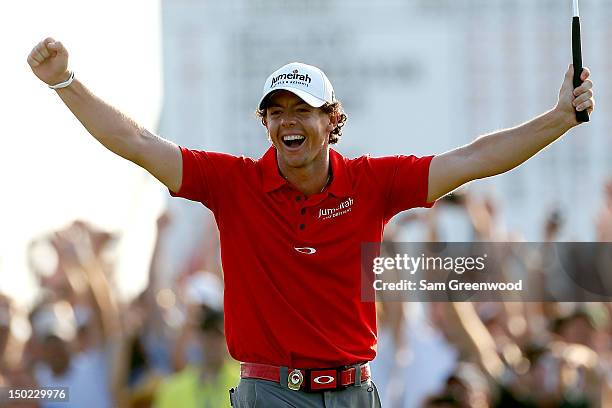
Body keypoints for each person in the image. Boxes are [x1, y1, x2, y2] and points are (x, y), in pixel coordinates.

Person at [27, 36, 594, 407]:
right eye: (276, 112)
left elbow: (472, 159)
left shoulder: (372, 183)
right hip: (271, 392)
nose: (286, 122)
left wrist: (557, 119)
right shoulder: (234, 184)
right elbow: (134, 141)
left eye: (301, 110)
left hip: (354, 392)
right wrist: (64, 81)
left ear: (331, 120)